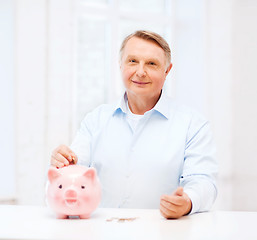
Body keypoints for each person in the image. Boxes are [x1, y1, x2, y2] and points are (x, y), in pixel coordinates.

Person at [50, 30, 218, 219]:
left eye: (151, 64)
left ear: (167, 70)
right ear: (120, 65)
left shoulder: (193, 125)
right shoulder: (95, 119)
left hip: (162, 233)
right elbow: (75, 172)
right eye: (132, 61)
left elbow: (203, 182)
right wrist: (64, 164)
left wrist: (187, 202)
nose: (140, 71)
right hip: (101, 231)